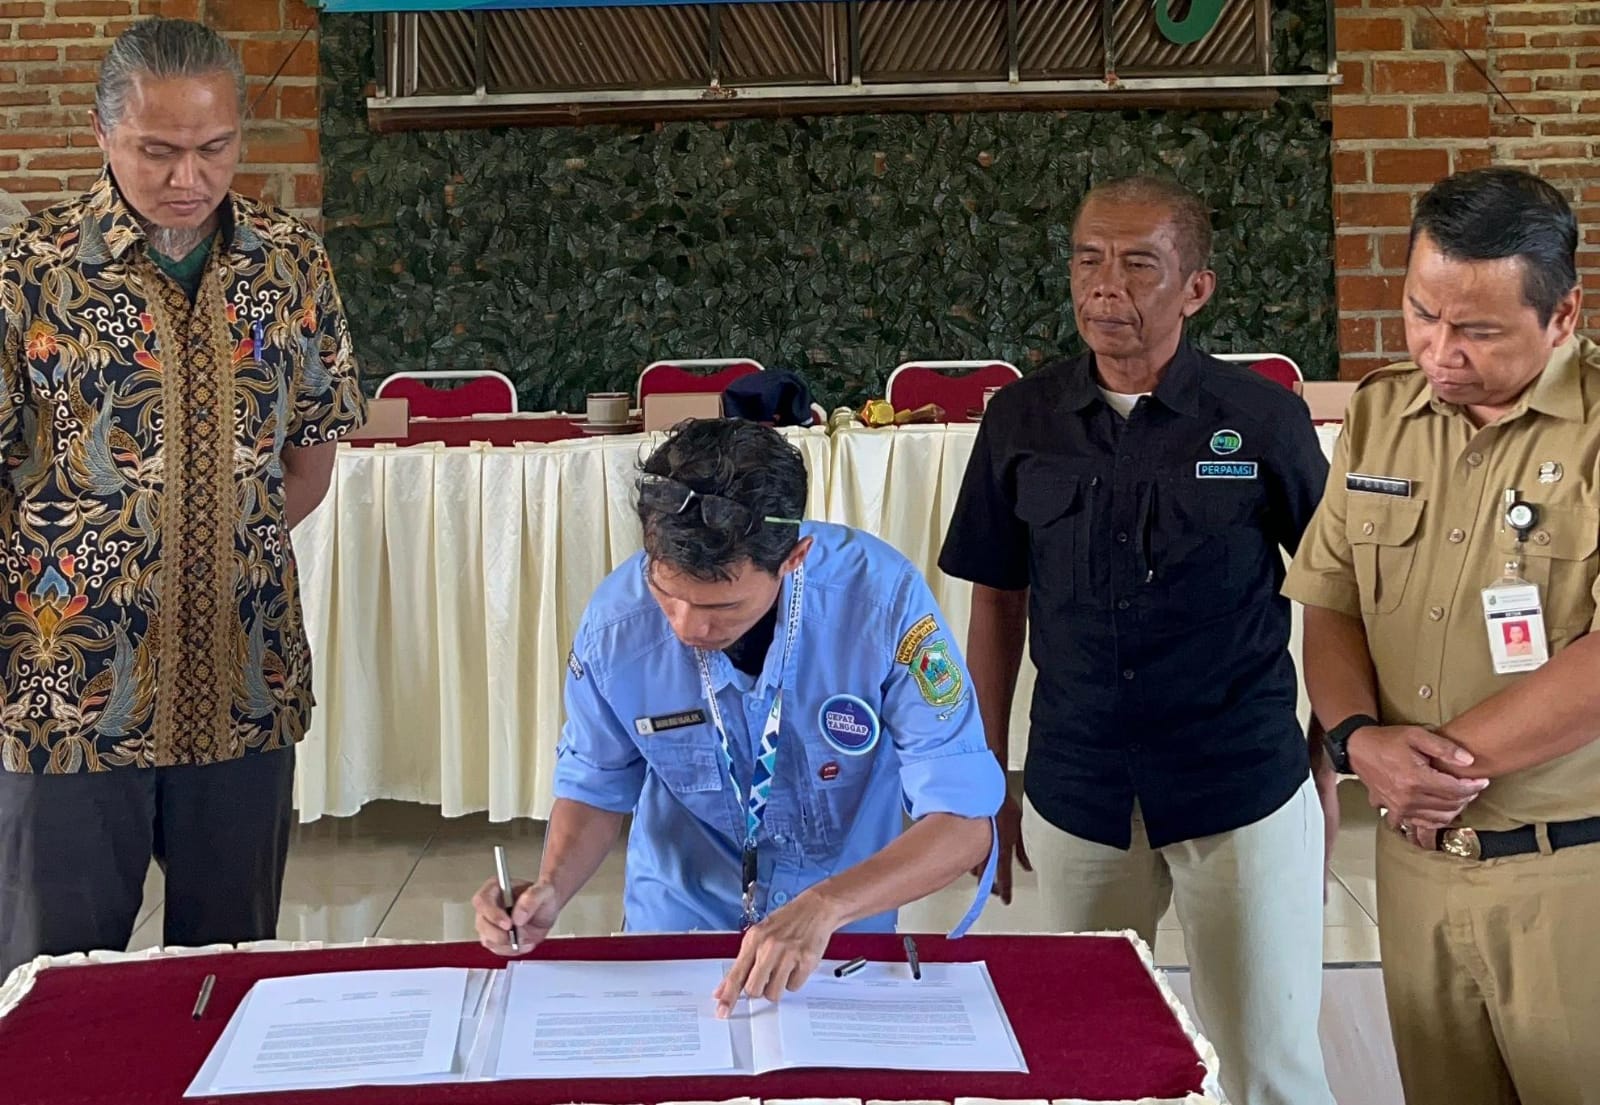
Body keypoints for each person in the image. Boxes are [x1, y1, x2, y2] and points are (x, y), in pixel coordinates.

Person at [939, 176, 1336, 1105]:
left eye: (1137, 264)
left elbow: (1338, 590)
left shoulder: (1262, 418)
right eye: (1087, 260)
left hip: (1242, 782)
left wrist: (1327, 747)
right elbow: (994, 603)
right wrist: (983, 774)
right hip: (1080, 791)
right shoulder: (1021, 421)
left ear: (1196, 288)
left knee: (1269, 1065)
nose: (1103, 286)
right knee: (1093, 1064)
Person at [0, 19, 366, 976]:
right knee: (57, 983)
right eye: (157, 151)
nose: (187, 178)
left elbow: (311, 459)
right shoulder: (27, 276)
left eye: (213, 150)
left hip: (244, 681)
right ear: (101, 134)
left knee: (229, 975)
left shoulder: (291, 267)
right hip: (66, 693)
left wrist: (204, 539)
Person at [473, 419, 1002, 1015]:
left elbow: (963, 821)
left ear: (795, 558)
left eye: (721, 606)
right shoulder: (616, 627)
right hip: (677, 933)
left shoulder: (884, 607)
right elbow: (597, 785)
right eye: (667, 593)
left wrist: (827, 906)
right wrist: (551, 887)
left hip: (838, 941)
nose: (687, 627)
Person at [1285, 167, 1600, 1104]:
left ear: (1563, 315)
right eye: (1423, 314)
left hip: (1568, 872)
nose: (1441, 350)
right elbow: (1331, 596)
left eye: (1478, 329)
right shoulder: (1384, 413)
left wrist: (1428, 769)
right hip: (1417, 865)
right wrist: (1357, 742)